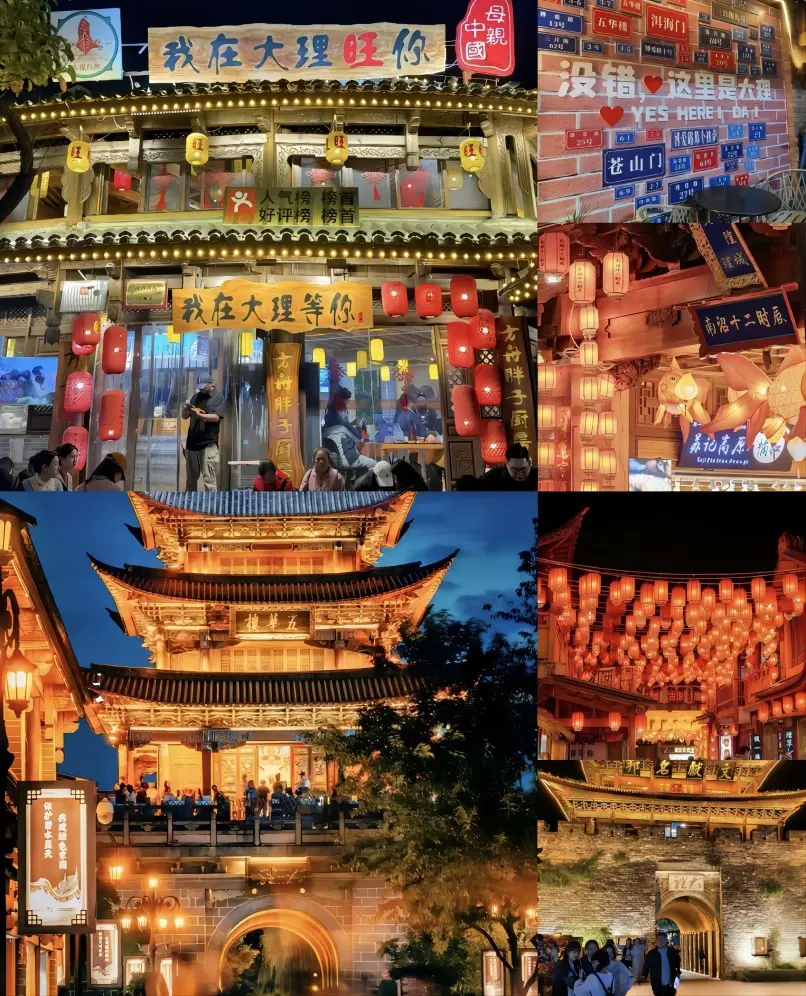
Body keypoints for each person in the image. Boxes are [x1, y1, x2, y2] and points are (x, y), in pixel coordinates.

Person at [182, 373, 226, 492]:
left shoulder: (218, 397)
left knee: (209, 481)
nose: (202, 389)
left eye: (204, 386)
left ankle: (211, 507)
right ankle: (189, 505)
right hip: (191, 444)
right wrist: (186, 410)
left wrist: (200, 415)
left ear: (210, 383)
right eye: (200, 387)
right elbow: (184, 416)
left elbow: (217, 417)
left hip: (208, 444)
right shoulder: (195, 397)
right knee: (190, 480)